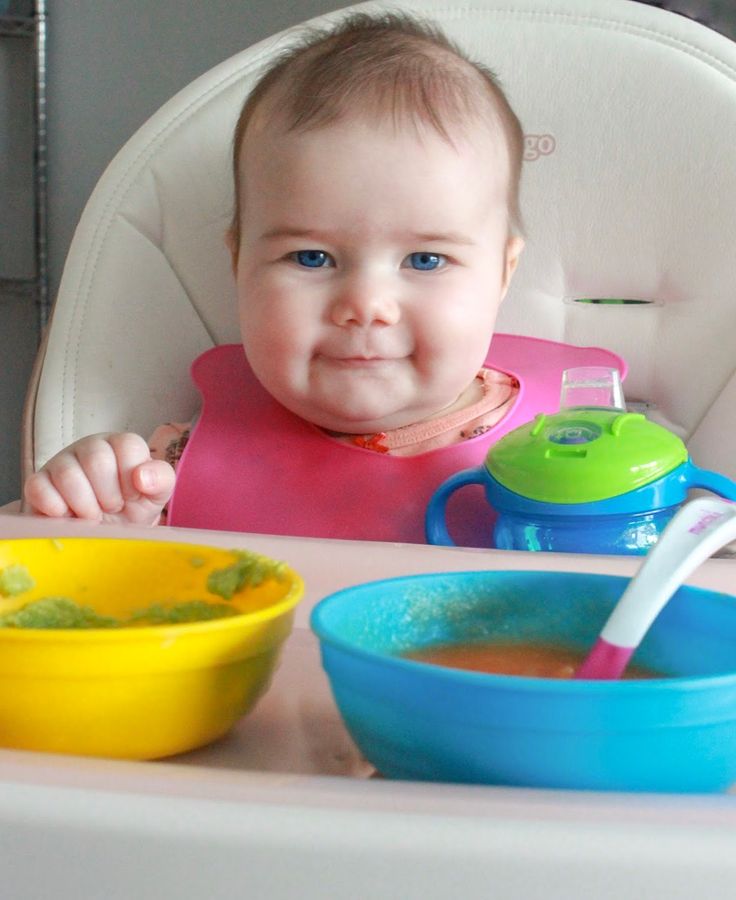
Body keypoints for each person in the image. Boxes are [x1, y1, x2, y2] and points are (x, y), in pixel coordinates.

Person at [23, 11, 622, 546]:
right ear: (238, 265)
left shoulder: (586, 452)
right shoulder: (172, 469)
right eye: (312, 258)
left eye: (426, 260)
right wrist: (95, 516)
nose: (365, 306)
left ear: (502, 274)